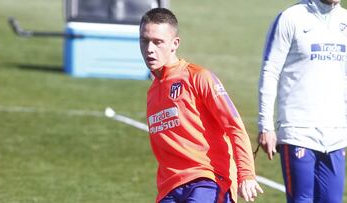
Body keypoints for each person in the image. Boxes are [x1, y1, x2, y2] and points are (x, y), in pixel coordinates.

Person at [139, 7, 263, 203]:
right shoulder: (152, 93)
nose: (149, 49)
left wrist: (246, 174)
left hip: (207, 180)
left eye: (158, 42)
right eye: (144, 41)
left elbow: (234, 126)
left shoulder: (198, 77)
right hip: (169, 188)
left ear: (175, 43)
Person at [258, 0, 347, 202]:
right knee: (302, 199)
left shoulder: (345, 21)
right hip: (297, 131)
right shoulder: (291, 18)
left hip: (336, 135)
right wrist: (266, 125)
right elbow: (270, 71)